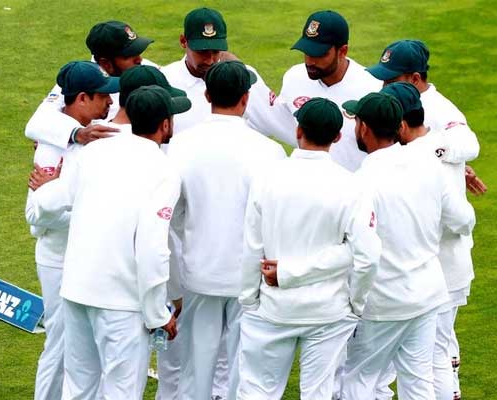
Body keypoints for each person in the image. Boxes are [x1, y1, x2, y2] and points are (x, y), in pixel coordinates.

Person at [27, 85, 191, 400]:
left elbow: (49, 203)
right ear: (165, 124)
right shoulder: (164, 171)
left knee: (78, 389)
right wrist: (157, 313)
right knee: (122, 392)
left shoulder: (93, 152)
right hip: (122, 304)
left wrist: (43, 188)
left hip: (76, 291)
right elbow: (152, 248)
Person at [237, 97, 381, 400]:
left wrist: (250, 302)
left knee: (257, 392)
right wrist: (355, 304)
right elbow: (367, 257)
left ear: (298, 130)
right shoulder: (352, 185)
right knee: (319, 394)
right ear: (338, 137)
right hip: (328, 310)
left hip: (274, 308)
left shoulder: (267, 178)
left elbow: (252, 246)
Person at [369, 40, 485, 399]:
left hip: (442, 260)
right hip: (425, 262)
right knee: (430, 354)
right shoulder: (403, 110)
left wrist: (432, 153)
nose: (384, 86)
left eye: (391, 79)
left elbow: (469, 144)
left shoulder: (437, 110)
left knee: (434, 353)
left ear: (415, 78)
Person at [339, 93, 476, 400]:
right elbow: (464, 219)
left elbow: (361, 253)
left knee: (360, 380)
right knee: (418, 381)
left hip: (382, 301)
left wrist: (355, 303)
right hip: (427, 295)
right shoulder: (429, 167)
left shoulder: (361, 182)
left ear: (363, 128)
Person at [166, 61, 286, 400]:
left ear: (206, 95)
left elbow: (172, 212)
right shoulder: (269, 151)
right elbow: (274, 218)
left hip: (198, 273)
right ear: (246, 98)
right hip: (248, 277)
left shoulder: (181, 145)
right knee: (243, 369)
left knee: (195, 369)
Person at [24, 60, 119, 400]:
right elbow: (36, 216)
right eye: (103, 96)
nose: (110, 102)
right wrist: (90, 215)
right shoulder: (52, 146)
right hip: (59, 259)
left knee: (88, 345)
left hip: (85, 256)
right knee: (60, 342)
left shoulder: (92, 136)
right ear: (82, 98)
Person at [262, 10, 383, 171]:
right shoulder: (294, 77)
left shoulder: (373, 88)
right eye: (306, 52)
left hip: (353, 184)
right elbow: (280, 119)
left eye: (319, 54)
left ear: (342, 51)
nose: (310, 61)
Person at [25, 20, 159, 149]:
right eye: (129, 55)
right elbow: (36, 124)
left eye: (138, 52)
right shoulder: (78, 79)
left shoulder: (147, 71)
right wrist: (77, 134)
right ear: (106, 63)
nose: (139, 59)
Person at [161, 7, 283, 141]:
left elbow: (277, 123)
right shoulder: (163, 80)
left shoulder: (243, 77)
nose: (210, 60)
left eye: (215, 51)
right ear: (183, 41)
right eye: (202, 52)